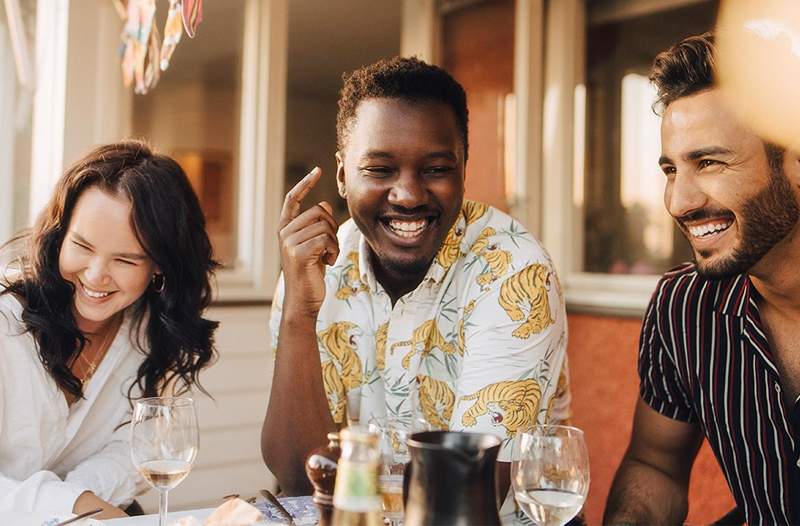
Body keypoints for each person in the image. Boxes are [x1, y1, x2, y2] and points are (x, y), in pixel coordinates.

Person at [261, 56, 570, 498]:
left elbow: (470, 495)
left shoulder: (514, 272)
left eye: (435, 169)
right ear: (344, 174)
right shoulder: (313, 266)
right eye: (379, 169)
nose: (407, 195)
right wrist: (298, 312)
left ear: (464, 168)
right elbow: (297, 477)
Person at [604, 33, 800, 525]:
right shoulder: (684, 307)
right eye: (672, 169)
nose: (679, 202)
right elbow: (656, 466)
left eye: (709, 162)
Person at [0, 141, 219, 519]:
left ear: (158, 267)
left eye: (125, 259)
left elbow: (129, 451)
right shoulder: (6, 324)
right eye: (82, 245)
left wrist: (80, 502)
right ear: (59, 234)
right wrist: (74, 505)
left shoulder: (150, 332)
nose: (96, 275)